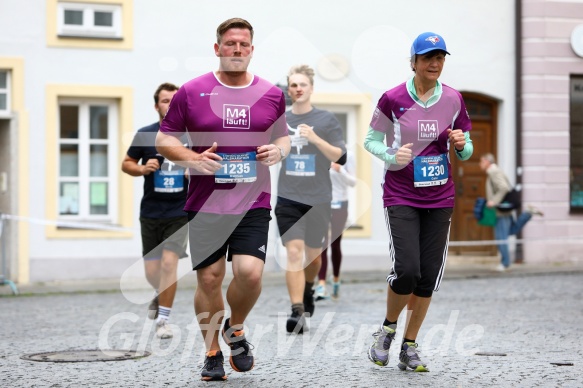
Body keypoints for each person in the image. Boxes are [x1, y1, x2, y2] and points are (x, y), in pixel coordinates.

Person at [155, 18, 290, 381]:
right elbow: (164, 140)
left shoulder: (271, 94)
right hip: (205, 204)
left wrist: (278, 153)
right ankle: (212, 351)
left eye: (243, 45)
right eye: (230, 44)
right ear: (218, 49)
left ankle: (237, 327)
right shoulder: (191, 91)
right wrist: (192, 158)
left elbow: (283, 139)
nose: (236, 50)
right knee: (210, 279)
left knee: (249, 273)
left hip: (253, 201)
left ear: (251, 50)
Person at [364, 32, 473, 372]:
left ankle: (409, 346)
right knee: (407, 270)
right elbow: (371, 140)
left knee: (426, 277)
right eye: (428, 57)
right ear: (413, 62)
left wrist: (459, 144)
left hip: (440, 197)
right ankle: (387, 329)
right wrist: (391, 154)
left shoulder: (453, 99)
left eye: (440, 57)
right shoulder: (393, 98)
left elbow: (467, 151)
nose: (435, 63)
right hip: (401, 194)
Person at [275, 64, 347, 334]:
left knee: (314, 258)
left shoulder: (326, 120)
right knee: (293, 252)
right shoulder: (280, 120)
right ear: (290, 90)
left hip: (318, 198)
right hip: (288, 196)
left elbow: (339, 157)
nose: (298, 88)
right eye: (293, 84)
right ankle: (296, 310)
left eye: (302, 84)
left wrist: (314, 138)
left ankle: (307, 290)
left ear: (311, 88)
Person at [121, 82, 188, 340]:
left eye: (174, 100)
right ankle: (159, 294)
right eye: (165, 101)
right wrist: (142, 169)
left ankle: (163, 320)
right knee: (152, 271)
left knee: (170, 263)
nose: (170, 105)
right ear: (156, 105)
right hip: (150, 211)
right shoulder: (146, 134)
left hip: (180, 212)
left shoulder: (190, 136)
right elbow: (127, 163)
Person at [479, 153, 543, 271]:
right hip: (504, 209)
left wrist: (493, 201)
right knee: (511, 230)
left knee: (501, 237)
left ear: (487, 162)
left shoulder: (493, 172)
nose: (480, 164)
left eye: (482, 161)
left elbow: (504, 188)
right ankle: (527, 214)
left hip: (501, 211)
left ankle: (505, 263)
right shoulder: (494, 171)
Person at [316, 150, 356, 300]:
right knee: (323, 243)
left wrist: (341, 171)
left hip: (341, 204)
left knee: (335, 244)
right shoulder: (321, 153)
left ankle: (336, 279)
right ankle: (321, 284)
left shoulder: (347, 154)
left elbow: (353, 182)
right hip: (323, 203)